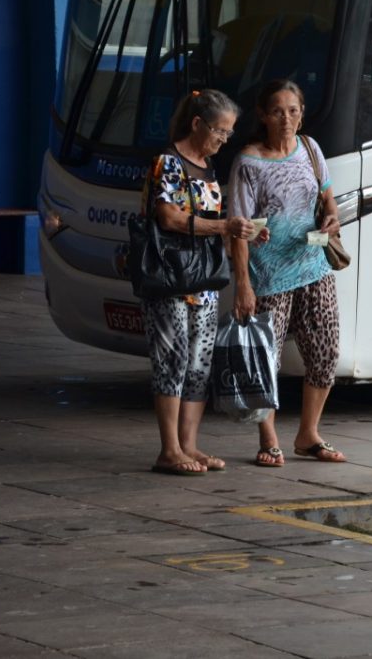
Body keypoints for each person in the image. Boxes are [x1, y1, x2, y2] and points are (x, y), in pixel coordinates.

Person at [141, 89, 260, 476]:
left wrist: (245, 232)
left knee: (198, 365)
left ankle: (189, 445)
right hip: (171, 278)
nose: (223, 140)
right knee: (171, 361)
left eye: (228, 134)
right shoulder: (169, 163)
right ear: (197, 124)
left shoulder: (207, 168)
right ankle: (169, 449)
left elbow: (213, 226)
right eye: (219, 131)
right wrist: (225, 225)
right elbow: (169, 219)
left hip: (204, 281)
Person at [229, 79, 345, 468]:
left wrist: (331, 218)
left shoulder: (310, 149)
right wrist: (243, 285)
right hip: (268, 275)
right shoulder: (249, 162)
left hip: (313, 267)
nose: (286, 119)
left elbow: (327, 197)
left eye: (293, 111)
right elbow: (238, 229)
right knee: (267, 360)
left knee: (326, 353)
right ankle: (269, 439)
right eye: (277, 111)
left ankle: (308, 434)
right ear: (262, 116)